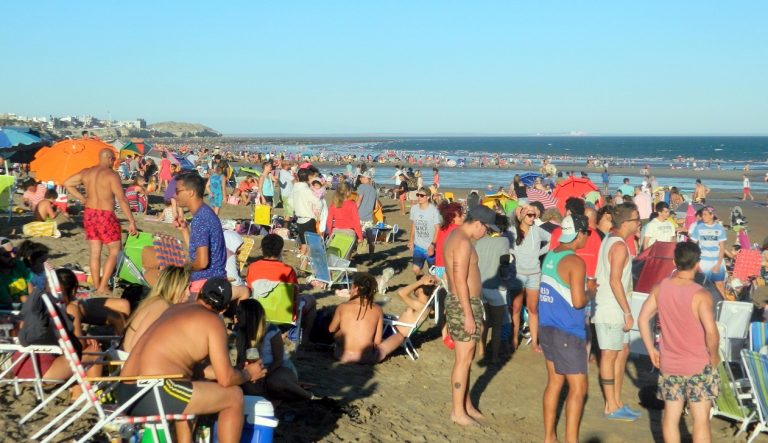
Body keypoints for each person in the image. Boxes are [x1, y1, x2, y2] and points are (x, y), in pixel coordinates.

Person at [118, 278, 266, 443]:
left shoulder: (174, 309)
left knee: (190, 384)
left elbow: (191, 368)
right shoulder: (214, 322)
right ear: (223, 309)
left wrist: (235, 371)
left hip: (125, 391)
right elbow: (226, 380)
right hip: (154, 392)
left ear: (199, 294)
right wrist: (248, 373)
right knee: (234, 397)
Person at [638, 242, 720, 442]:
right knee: (700, 420)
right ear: (698, 264)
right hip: (698, 363)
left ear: (674, 261)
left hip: (670, 363)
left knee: (671, 416)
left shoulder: (661, 287)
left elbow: (642, 318)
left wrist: (651, 350)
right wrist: (715, 355)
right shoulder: (701, 294)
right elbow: (711, 332)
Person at [538, 214, 591, 443]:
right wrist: (593, 291)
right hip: (567, 330)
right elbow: (579, 301)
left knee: (554, 381)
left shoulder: (552, 254)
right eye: (587, 232)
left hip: (547, 326)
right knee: (579, 388)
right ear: (579, 233)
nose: (588, 237)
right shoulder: (575, 261)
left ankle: (550, 437)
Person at [443, 205, 497, 426]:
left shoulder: (456, 236)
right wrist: (466, 314)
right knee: (463, 360)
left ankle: (465, 404)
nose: (486, 233)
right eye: (486, 229)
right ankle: (457, 412)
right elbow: (458, 280)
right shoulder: (463, 242)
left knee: (467, 358)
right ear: (478, 224)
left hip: (463, 303)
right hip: (464, 304)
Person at [64, 148, 138, 295]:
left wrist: (82, 198)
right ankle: (103, 286)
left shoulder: (87, 172)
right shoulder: (112, 175)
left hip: (90, 213)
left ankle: (97, 285)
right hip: (105, 215)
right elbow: (122, 199)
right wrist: (131, 220)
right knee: (115, 250)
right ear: (110, 159)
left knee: (95, 252)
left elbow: (67, 183)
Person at [593, 202, 642, 421]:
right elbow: (614, 281)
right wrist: (627, 312)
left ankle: (616, 401)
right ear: (626, 222)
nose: (639, 222)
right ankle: (610, 406)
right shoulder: (619, 245)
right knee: (609, 355)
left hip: (614, 307)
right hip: (611, 309)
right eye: (636, 219)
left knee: (621, 352)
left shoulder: (612, 240)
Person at [142, 172, 226, 292]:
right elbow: (195, 252)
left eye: (178, 191)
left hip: (204, 282)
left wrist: (182, 269)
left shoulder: (200, 219)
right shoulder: (204, 212)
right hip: (214, 277)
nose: (174, 195)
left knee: (150, 275)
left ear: (191, 192)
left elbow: (202, 263)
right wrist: (185, 230)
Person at [235, 300, 313, 400]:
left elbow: (278, 360)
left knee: (274, 382)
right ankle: (282, 397)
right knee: (247, 387)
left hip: (278, 368)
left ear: (250, 314)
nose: (236, 316)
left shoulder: (271, 330)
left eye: (239, 312)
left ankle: (308, 396)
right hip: (256, 369)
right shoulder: (240, 332)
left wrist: (264, 375)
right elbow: (240, 360)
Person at [245, 234, 316, 344]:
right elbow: (295, 294)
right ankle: (304, 338)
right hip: (282, 315)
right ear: (280, 251)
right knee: (310, 300)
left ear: (262, 250)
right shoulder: (288, 270)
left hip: (259, 313)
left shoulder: (252, 267)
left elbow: (249, 289)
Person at [329, 273, 407, 364]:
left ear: (355, 287)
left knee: (340, 329)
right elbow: (377, 342)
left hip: (341, 355)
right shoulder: (377, 310)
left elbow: (331, 329)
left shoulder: (342, 306)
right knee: (400, 336)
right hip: (366, 358)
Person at [122, 266, 190, 353]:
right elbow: (136, 345)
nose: (189, 293)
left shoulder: (158, 302)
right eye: (185, 287)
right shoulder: (161, 306)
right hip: (129, 361)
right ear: (174, 287)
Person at [511, 205, 551, 352]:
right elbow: (505, 243)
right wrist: (514, 255)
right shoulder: (513, 231)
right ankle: (514, 339)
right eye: (529, 215)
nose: (532, 218)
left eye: (534, 215)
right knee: (516, 308)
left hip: (534, 274)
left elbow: (552, 240)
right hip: (518, 274)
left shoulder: (537, 230)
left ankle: (535, 343)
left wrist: (539, 253)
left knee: (533, 309)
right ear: (522, 215)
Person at [477, 213, 512, 363]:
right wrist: (506, 278)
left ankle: (481, 351)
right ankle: (495, 356)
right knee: (497, 325)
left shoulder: (480, 241)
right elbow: (504, 265)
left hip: (480, 286)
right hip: (495, 288)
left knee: (484, 322)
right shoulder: (504, 241)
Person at [689, 206, 728, 297]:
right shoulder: (699, 227)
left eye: (705, 215)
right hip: (703, 261)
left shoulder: (719, 228)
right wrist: (695, 262)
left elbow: (722, 248)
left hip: (716, 261)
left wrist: (718, 264)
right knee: (701, 285)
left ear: (712, 215)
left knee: (720, 285)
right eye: (702, 214)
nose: (703, 217)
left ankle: (724, 307)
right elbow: (693, 245)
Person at [408, 187, 440, 275]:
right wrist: (411, 240)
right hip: (418, 246)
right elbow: (414, 225)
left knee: (435, 273)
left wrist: (433, 245)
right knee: (415, 269)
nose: (419, 197)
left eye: (422, 195)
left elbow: (438, 229)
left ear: (428, 197)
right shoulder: (414, 209)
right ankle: (424, 282)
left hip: (431, 247)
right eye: (418, 195)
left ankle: (434, 286)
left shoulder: (434, 210)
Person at [291, 167, 322, 256]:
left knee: (304, 244)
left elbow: (290, 202)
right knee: (310, 246)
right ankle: (306, 264)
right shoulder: (306, 190)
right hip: (308, 219)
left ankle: (302, 266)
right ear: (308, 177)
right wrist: (317, 213)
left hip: (299, 219)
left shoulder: (295, 188)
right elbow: (318, 203)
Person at [355, 170, 378, 263]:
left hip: (359, 216)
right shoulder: (374, 190)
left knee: (355, 236)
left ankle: (356, 253)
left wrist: (353, 211)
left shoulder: (361, 187)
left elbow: (359, 200)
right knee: (370, 239)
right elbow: (376, 206)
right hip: (369, 217)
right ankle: (371, 257)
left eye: (362, 177)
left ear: (367, 179)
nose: (360, 178)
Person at [223, 230, 250, 302]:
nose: (240, 249)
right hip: (223, 287)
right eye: (238, 246)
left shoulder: (217, 251)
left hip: (209, 283)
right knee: (245, 291)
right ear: (233, 242)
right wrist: (244, 284)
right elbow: (234, 279)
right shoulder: (229, 255)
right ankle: (236, 311)